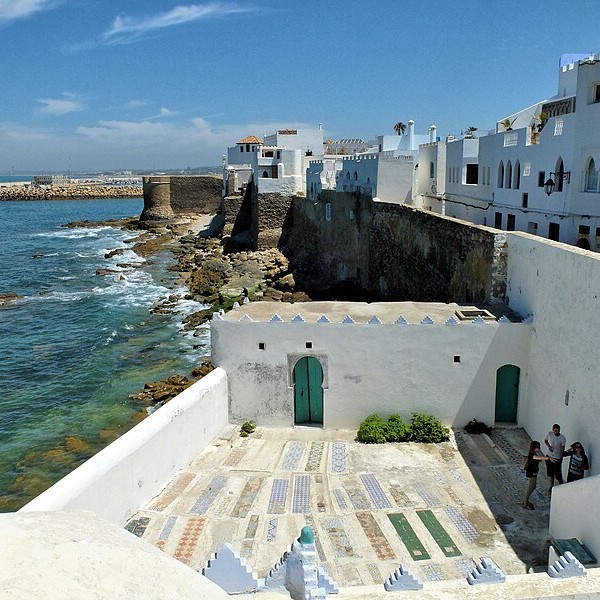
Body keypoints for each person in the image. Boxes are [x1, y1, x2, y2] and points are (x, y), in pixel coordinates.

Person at [523, 440, 555, 509]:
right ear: (535, 448)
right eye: (538, 447)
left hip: (533, 474)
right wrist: (548, 458)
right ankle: (525, 503)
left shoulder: (532, 454)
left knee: (532, 487)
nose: (539, 449)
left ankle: (526, 501)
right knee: (530, 488)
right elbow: (539, 458)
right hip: (532, 475)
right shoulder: (532, 455)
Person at [544, 423, 566, 489]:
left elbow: (563, 448)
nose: (557, 432)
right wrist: (549, 447)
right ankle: (551, 486)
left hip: (557, 458)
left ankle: (562, 486)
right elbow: (545, 441)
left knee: (558, 474)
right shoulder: (549, 434)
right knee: (550, 474)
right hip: (549, 456)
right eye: (556, 431)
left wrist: (561, 457)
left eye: (558, 430)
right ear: (553, 430)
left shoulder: (562, 438)